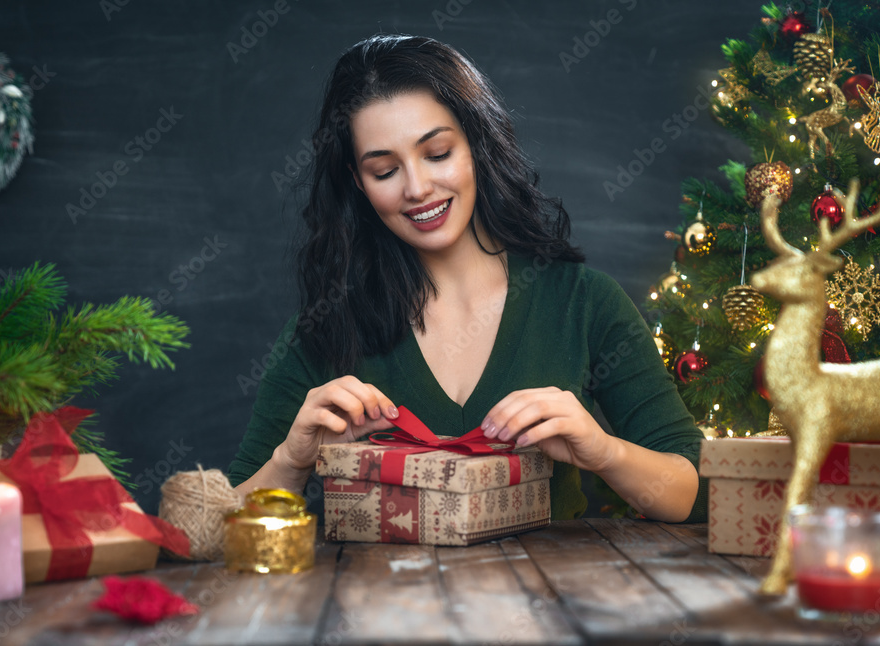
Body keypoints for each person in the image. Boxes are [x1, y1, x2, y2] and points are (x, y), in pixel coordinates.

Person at [228, 34, 707, 523]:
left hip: (554, 598)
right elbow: (216, 527)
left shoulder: (584, 303)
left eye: (437, 153)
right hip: (377, 598)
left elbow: (691, 492)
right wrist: (291, 459)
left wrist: (604, 452)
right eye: (385, 170)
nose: (417, 189)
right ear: (357, 180)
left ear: (476, 143)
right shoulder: (325, 330)